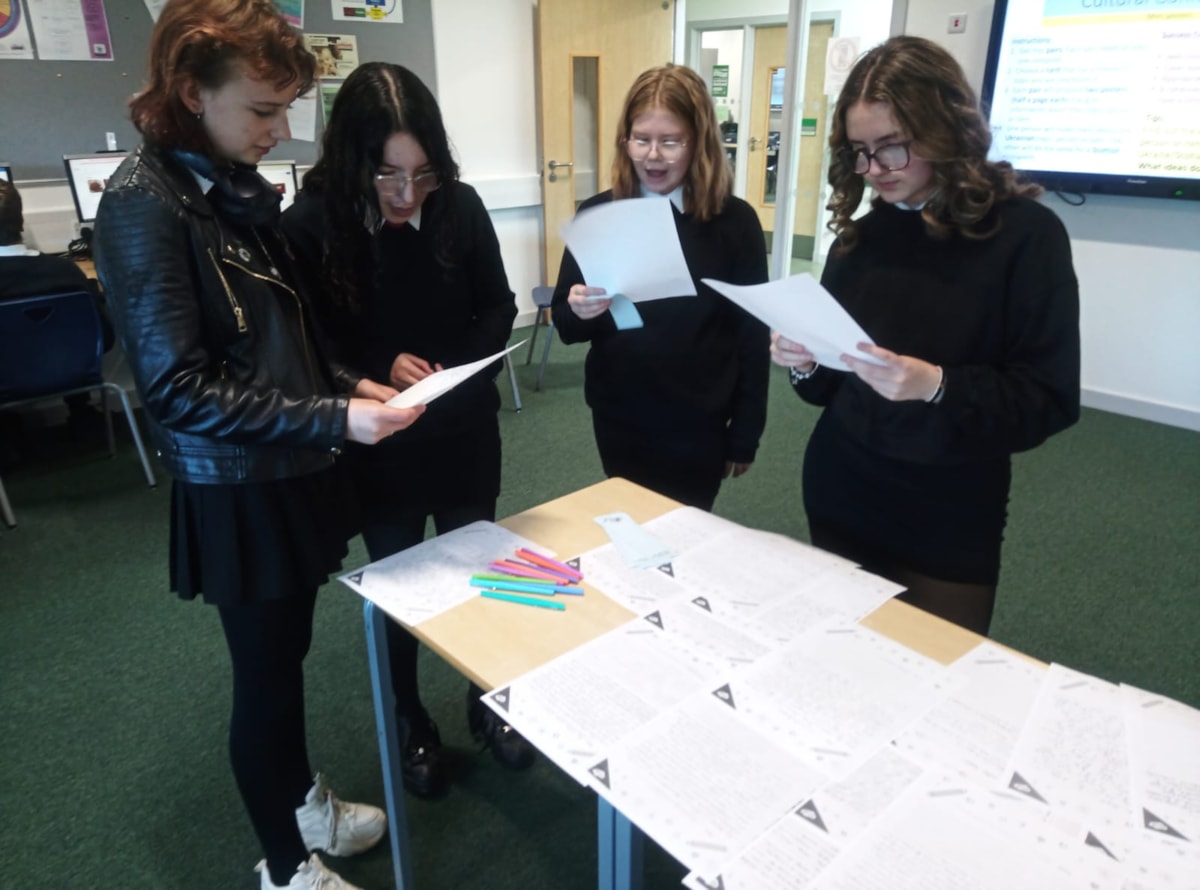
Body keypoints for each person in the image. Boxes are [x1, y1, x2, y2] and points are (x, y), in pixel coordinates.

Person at [92, 3, 424, 888]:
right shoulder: (141, 201)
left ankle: (302, 804)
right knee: (266, 681)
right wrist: (337, 419)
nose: (281, 133)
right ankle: (285, 863)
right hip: (238, 484)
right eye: (263, 111)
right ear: (192, 93)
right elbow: (176, 390)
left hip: (290, 463)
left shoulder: (225, 181)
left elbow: (285, 332)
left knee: (290, 658)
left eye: (288, 110)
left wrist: (346, 381)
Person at [770, 36, 1080, 636]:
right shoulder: (858, 241)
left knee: (940, 682)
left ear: (945, 130)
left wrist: (937, 385)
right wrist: (804, 361)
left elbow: (1049, 399)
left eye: (892, 148)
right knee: (838, 666)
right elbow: (825, 394)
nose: (874, 170)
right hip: (842, 485)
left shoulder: (1026, 237)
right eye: (860, 152)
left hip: (948, 503)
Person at [280, 62, 528, 799]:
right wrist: (370, 370)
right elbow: (313, 342)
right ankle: (410, 716)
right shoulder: (310, 223)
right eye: (387, 176)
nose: (405, 195)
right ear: (351, 162)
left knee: (475, 572)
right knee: (402, 585)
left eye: (421, 175)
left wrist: (453, 374)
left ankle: (487, 703)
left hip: (461, 429)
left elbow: (498, 306)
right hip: (379, 443)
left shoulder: (459, 206)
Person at [551, 64, 770, 511]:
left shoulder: (734, 223)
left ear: (699, 142)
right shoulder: (600, 214)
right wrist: (579, 310)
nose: (653, 156)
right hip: (621, 413)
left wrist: (746, 432)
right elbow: (566, 323)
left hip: (699, 419)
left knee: (687, 534)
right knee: (632, 525)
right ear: (625, 140)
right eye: (640, 139)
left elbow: (752, 334)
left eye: (670, 141)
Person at [0, 179, 113, 440]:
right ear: (21, 221)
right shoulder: (65, 270)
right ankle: (82, 412)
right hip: (74, 368)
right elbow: (103, 335)